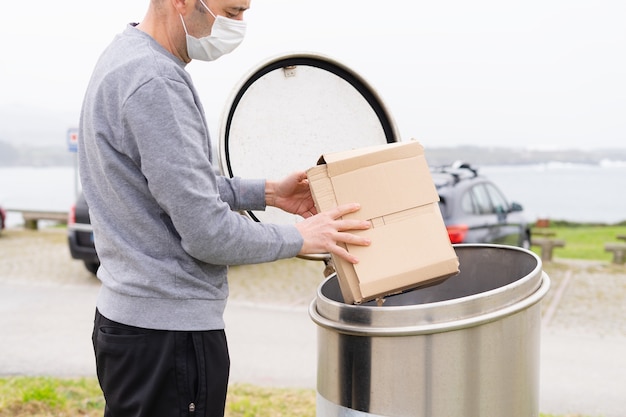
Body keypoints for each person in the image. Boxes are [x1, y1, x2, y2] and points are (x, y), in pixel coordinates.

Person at [79, 0, 371, 416]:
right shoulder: (156, 81)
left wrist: (268, 192)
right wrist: (301, 237)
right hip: (168, 337)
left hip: (132, 326)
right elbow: (207, 234)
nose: (239, 25)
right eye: (231, 12)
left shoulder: (124, 58)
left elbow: (172, 185)